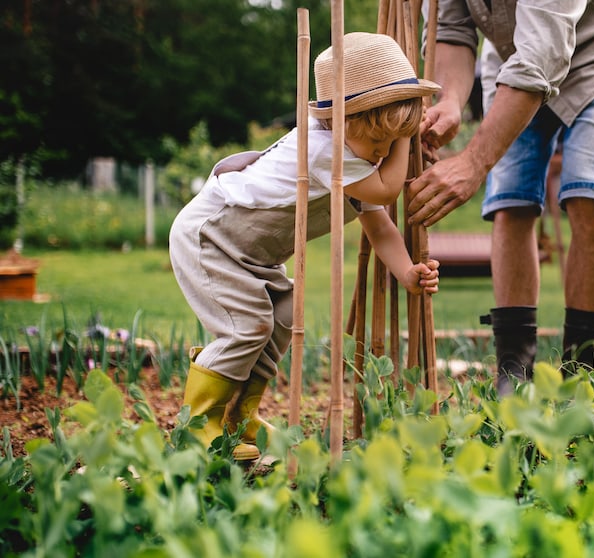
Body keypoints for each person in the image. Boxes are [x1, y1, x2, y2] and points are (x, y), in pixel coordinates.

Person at [169, 32, 441, 460]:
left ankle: (240, 418)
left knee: (279, 318)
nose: (384, 155)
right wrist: (406, 135)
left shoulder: (355, 155)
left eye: (390, 147)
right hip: (212, 238)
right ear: (341, 123)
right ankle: (198, 428)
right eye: (378, 145)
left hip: (253, 256)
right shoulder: (322, 149)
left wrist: (407, 272)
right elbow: (389, 191)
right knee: (247, 327)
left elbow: (378, 222)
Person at [407, 1, 594, 395]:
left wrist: (473, 162)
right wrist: (449, 101)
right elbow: (452, 29)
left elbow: (543, 53)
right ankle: (514, 372)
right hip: (513, 60)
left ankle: (579, 369)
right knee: (510, 201)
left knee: (590, 198)